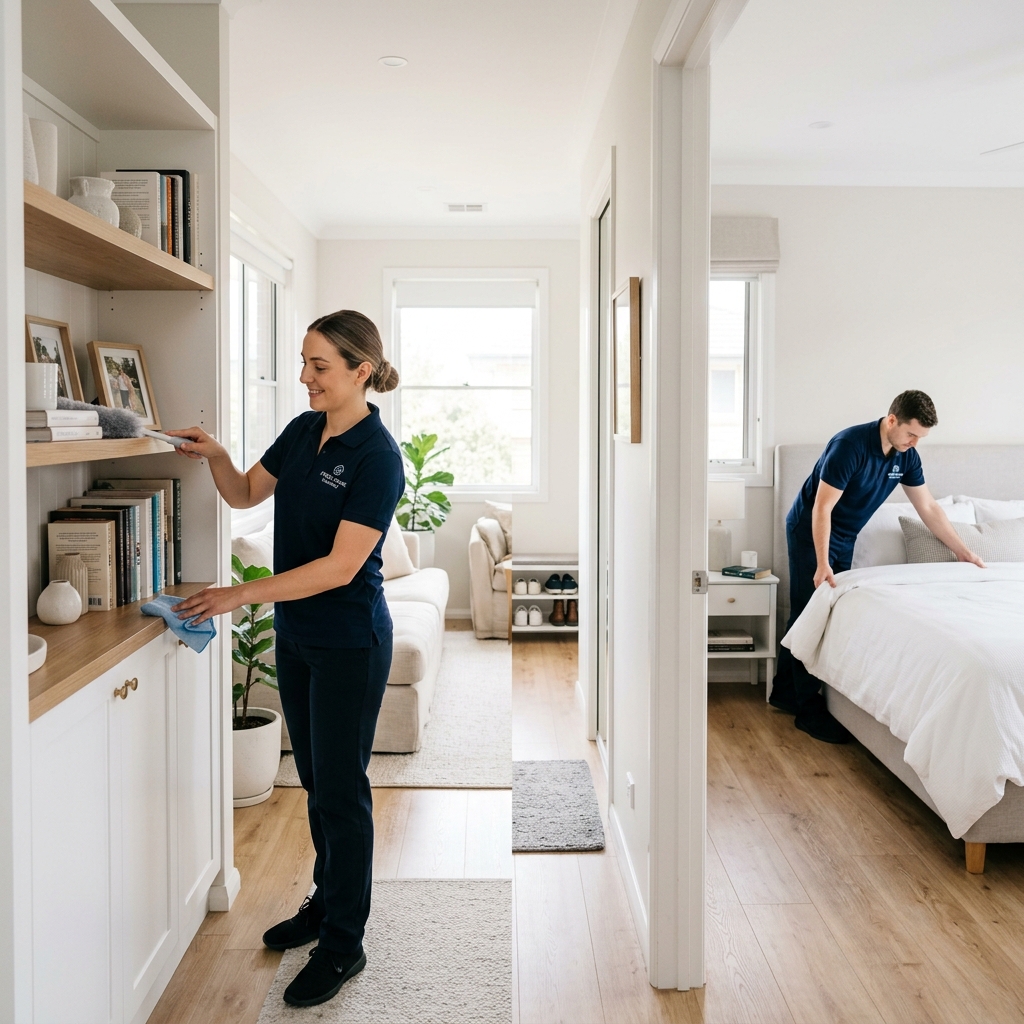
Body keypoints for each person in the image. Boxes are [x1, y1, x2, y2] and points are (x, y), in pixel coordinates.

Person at [166, 310, 404, 1008]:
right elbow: (245, 492)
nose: (304, 377)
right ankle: (324, 905)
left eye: (319, 366)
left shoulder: (377, 456)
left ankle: (343, 944)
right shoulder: (304, 431)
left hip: (350, 640)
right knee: (313, 782)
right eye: (303, 362)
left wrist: (239, 593)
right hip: (297, 635)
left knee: (340, 791)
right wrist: (215, 453)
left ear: (361, 371)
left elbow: (340, 567)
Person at [770, 390, 985, 743]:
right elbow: (821, 508)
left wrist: (963, 552)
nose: (915, 442)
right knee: (808, 609)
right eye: (911, 433)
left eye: (920, 437)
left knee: (825, 611)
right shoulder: (849, 446)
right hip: (812, 531)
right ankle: (807, 710)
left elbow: (928, 509)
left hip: (846, 533)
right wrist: (823, 563)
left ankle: (784, 694)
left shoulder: (906, 455)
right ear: (891, 420)